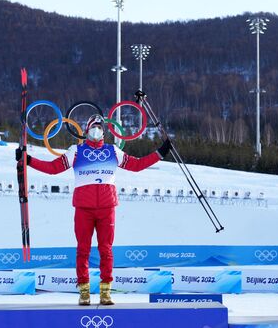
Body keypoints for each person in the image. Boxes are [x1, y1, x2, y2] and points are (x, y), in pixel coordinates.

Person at [16, 114, 171, 305]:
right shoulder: (76, 151)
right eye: (93, 127)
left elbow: (137, 165)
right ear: (87, 130)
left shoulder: (113, 151)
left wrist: (160, 153)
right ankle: (84, 291)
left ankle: (106, 292)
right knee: (83, 250)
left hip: (107, 208)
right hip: (84, 209)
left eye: (99, 127)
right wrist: (28, 160)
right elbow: (53, 168)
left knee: (106, 250)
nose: (96, 130)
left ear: (103, 131)